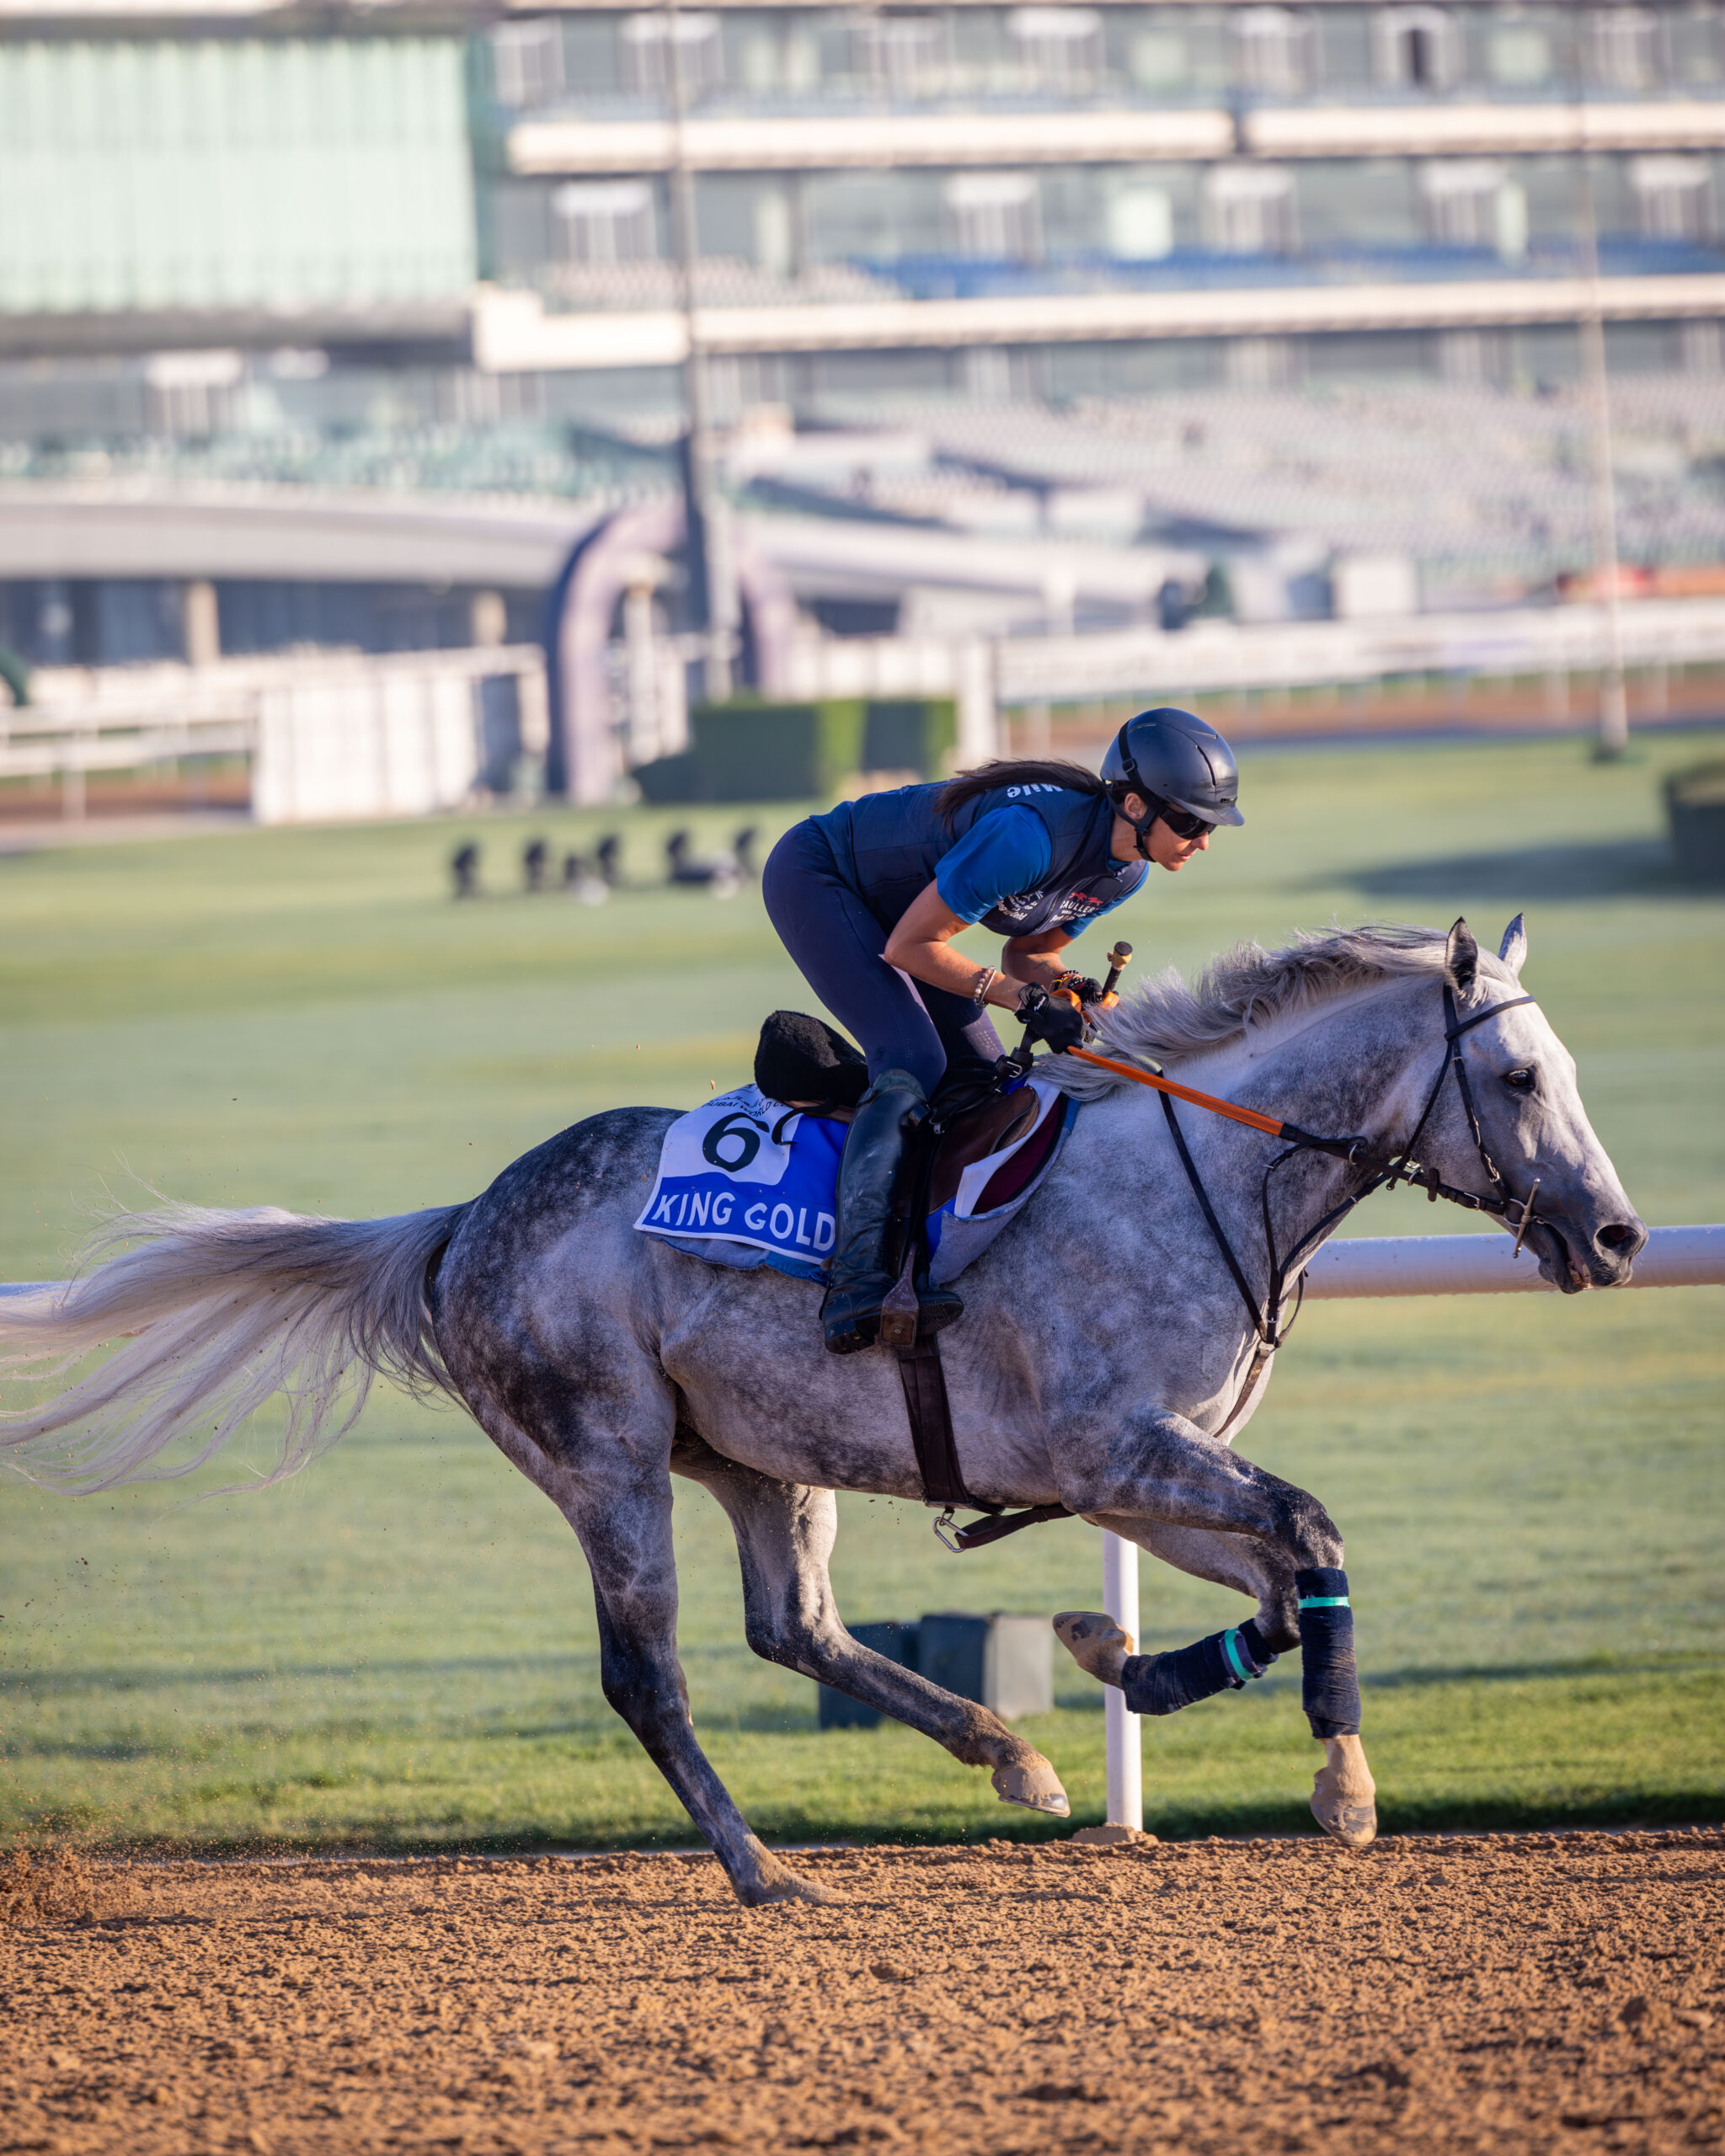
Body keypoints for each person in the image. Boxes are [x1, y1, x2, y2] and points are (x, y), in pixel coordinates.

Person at [761, 706, 1244, 1353]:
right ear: (1135, 805)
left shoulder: (1126, 871)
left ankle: (922, 1251)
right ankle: (856, 1281)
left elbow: (1028, 953)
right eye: (1190, 822)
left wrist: (1076, 991)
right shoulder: (1027, 839)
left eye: (1209, 825)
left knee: (988, 1084)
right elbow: (910, 948)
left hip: (910, 916)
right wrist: (1024, 1000)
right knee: (912, 1057)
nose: (1203, 841)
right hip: (822, 877)